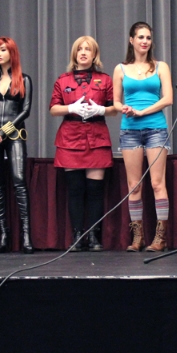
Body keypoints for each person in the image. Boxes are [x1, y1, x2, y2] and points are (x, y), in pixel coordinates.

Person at [50, 36, 116, 251]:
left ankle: (94, 235)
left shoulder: (105, 80)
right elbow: (53, 109)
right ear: (75, 53)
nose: (84, 53)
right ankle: (78, 234)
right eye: (80, 49)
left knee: (95, 189)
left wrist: (101, 110)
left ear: (94, 54)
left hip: (96, 135)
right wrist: (71, 108)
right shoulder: (63, 80)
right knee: (75, 189)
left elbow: (114, 108)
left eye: (88, 49)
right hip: (71, 136)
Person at [112, 22, 174, 252]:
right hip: (129, 131)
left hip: (155, 128)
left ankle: (160, 238)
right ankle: (137, 237)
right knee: (134, 186)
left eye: (148, 37)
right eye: (140, 37)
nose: (145, 41)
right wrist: (124, 108)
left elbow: (168, 99)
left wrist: (143, 112)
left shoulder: (161, 67)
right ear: (132, 40)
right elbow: (115, 101)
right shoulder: (120, 69)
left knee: (157, 184)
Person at [0, 37, 34, 254]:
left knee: (19, 181)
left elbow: (26, 111)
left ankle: (26, 235)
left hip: (15, 134)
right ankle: (4, 233)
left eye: (3, 50)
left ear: (12, 53)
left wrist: (2, 132)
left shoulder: (24, 79)